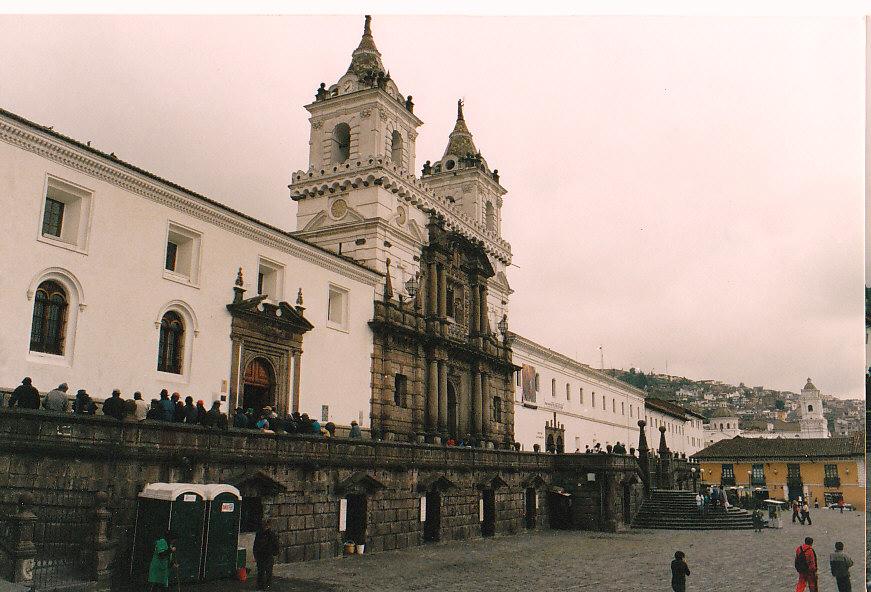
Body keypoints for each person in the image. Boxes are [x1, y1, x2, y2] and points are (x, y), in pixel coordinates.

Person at [253, 518, 279, 590]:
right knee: (264, 571)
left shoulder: (269, 534)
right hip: (264, 555)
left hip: (265, 555)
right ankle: (263, 585)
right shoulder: (266, 534)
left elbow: (275, 545)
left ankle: (263, 585)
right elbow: (276, 545)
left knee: (265, 571)